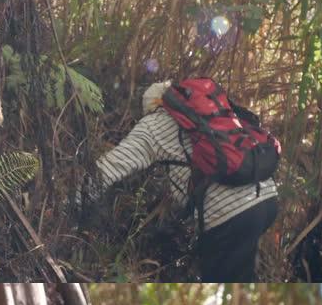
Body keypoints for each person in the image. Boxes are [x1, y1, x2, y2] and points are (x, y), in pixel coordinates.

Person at [83, 81, 280, 282]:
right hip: (265, 196)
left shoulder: (152, 125)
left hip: (230, 215)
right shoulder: (213, 116)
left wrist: (71, 203)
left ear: (152, 108)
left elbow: (109, 168)